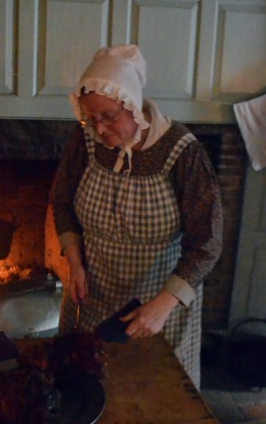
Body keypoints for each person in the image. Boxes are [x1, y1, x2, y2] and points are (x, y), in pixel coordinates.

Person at [50, 45, 223, 388]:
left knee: (154, 402)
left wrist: (164, 304)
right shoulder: (84, 141)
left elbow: (208, 241)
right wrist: (74, 261)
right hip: (92, 299)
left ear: (133, 104)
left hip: (157, 309)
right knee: (87, 389)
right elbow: (62, 202)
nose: (99, 128)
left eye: (109, 116)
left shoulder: (182, 152)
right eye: (90, 117)